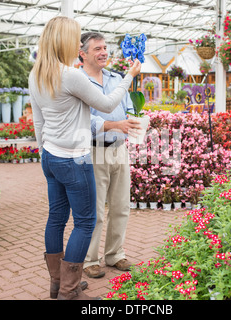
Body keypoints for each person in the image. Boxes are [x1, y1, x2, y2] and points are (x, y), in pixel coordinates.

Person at [29, 17, 141, 300]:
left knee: (56, 219)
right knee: (85, 222)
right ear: (65, 41)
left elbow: (39, 123)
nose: (77, 43)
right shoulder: (71, 75)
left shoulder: (37, 74)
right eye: (75, 38)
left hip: (51, 156)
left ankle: (57, 284)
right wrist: (129, 76)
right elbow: (106, 104)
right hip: (76, 159)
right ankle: (68, 290)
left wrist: (46, 151)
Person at [78, 32, 142, 279]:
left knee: (121, 206)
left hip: (119, 150)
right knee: (94, 210)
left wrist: (133, 121)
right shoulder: (78, 81)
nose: (104, 52)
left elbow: (125, 107)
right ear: (82, 54)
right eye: (97, 48)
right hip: (94, 151)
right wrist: (116, 125)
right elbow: (83, 119)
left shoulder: (117, 78)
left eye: (105, 47)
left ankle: (115, 254)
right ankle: (89, 259)